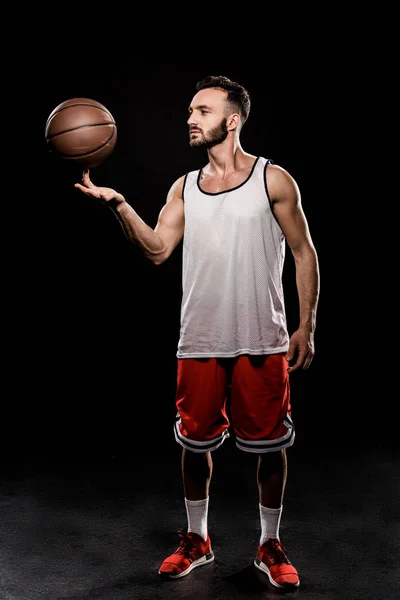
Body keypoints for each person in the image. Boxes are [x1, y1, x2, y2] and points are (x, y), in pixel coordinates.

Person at [74, 75, 320, 591]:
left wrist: (307, 323)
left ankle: (269, 544)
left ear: (232, 120)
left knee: (271, 447)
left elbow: (303, 252)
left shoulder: (274, 180)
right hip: (201, 339)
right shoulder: (183, 187)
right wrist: (120, 205)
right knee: (194, 443)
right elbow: (159, 248)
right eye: (190, 110)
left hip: (263, 337)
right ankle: (197, 539)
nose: (191, 118)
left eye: (203, 111)